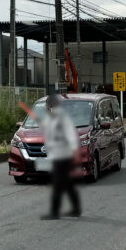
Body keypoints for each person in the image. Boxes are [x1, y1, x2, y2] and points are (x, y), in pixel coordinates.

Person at [42, 92, 81, 220]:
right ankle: (76, 209)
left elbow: (70, 134)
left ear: (50, 105)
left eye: (47, 106)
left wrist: (75, 152)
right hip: (58, 155)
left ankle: (54, 212)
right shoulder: (53, 117)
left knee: (58, 184)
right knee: (67, 183)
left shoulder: (60, 116)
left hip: (63, 156)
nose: (46, 108)